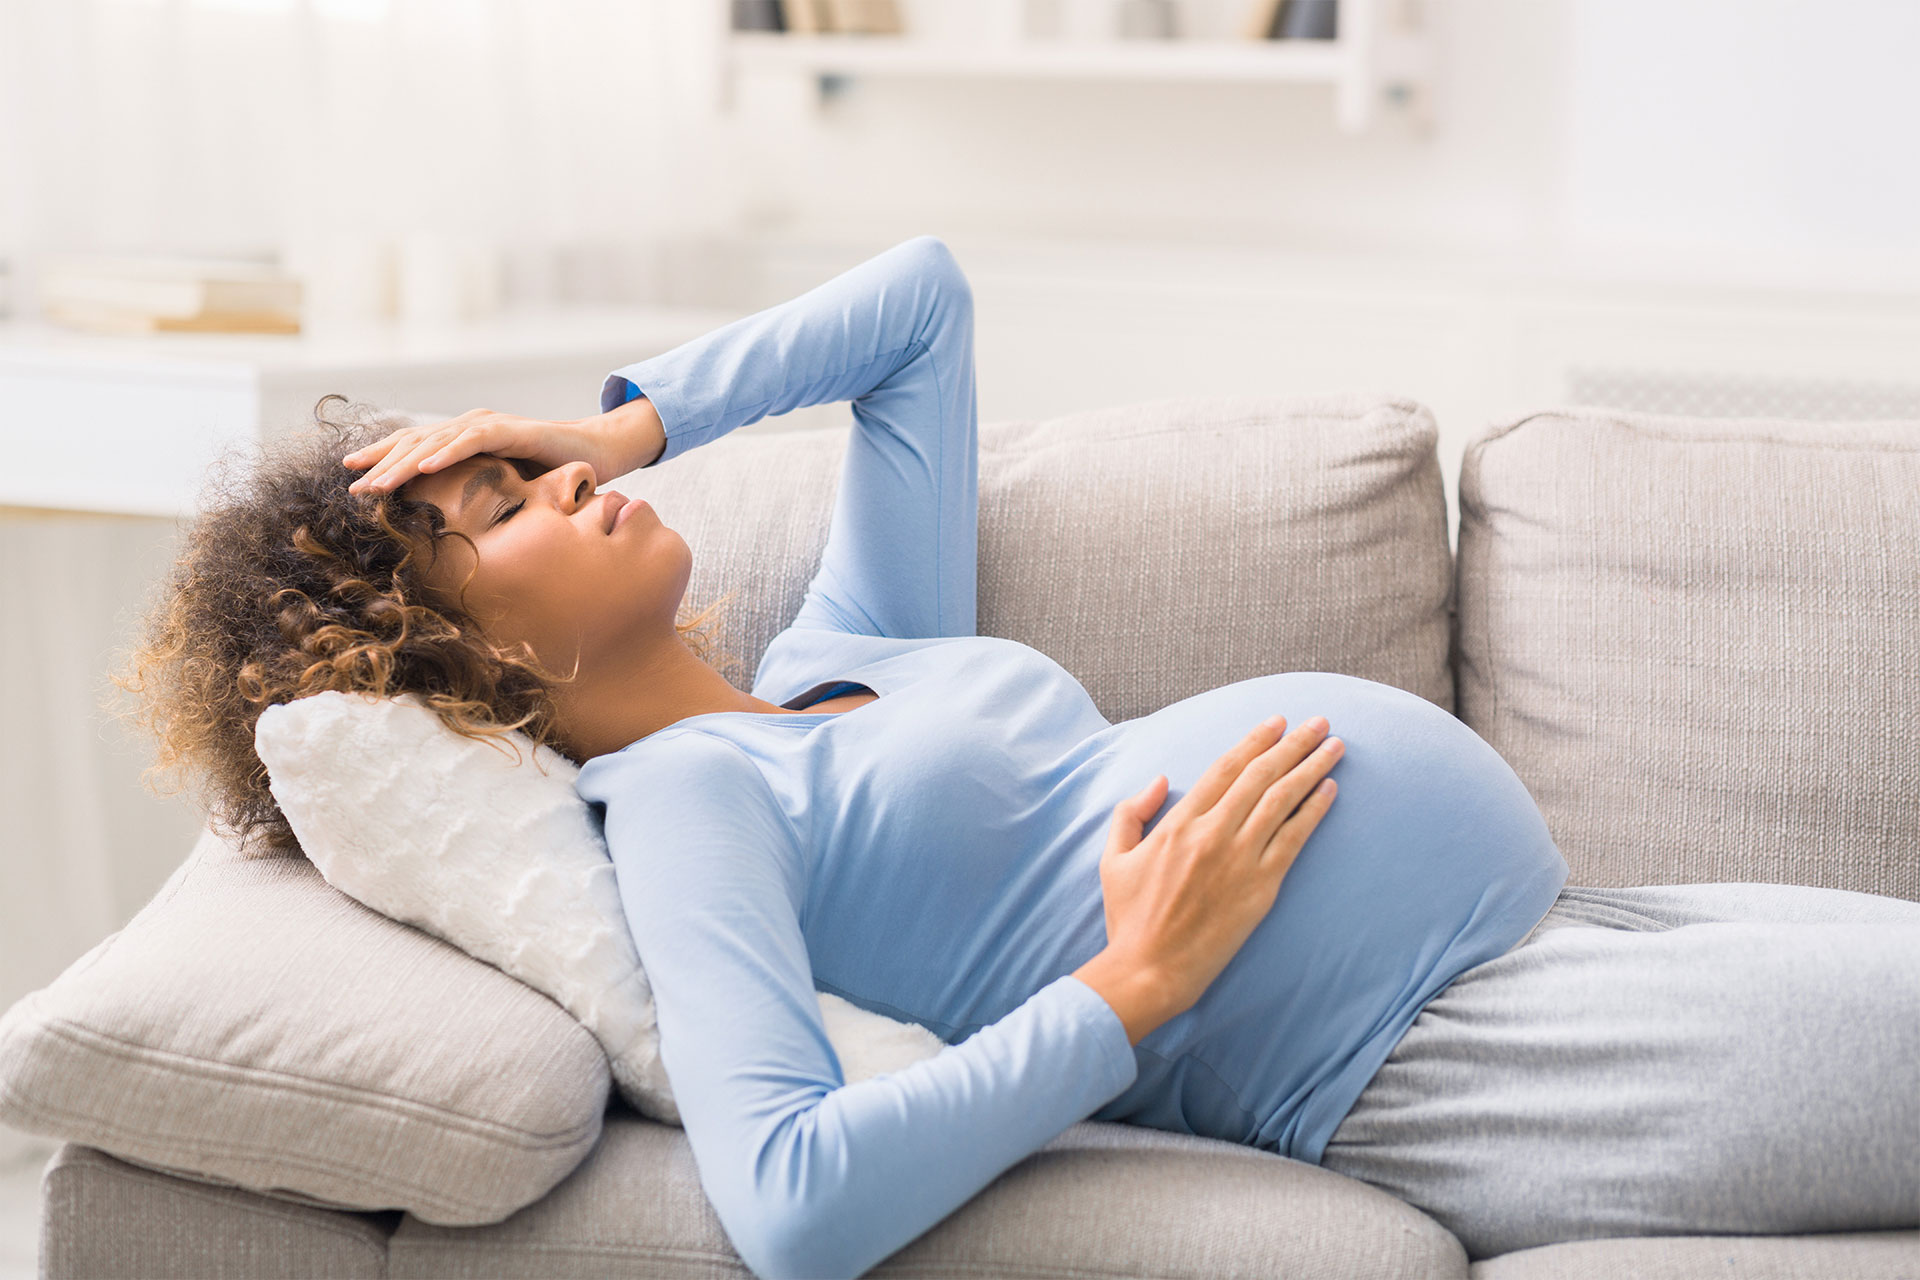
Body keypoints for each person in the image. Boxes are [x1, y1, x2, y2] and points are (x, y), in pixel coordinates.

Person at [129, 236, 1920, 1279]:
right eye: (500, 511)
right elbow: (791, 1204)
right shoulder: (686, 806)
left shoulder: (843, 657)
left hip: (1587, 938)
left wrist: (622, 408)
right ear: (461, 659)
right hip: (1453, 1062)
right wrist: (1133, 990)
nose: (568, 480)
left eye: (529, 461)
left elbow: (920, 310)